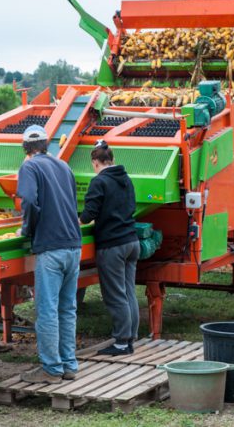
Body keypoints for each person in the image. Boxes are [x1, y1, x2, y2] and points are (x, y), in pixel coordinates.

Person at [16, 125, 82, 385]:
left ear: (25, 149)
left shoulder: (29, 167)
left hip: (50, 248)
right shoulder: (64, 166)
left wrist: (27, 228)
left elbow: (29, 201)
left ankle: (51, 369)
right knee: (67, 309)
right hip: (73, 246)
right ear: (47, 144)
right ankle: (69, 365)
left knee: (47, 310)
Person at [79, 139, 140, 356]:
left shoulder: (100, 182)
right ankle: (131, 337)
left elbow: (88, 215)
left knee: (115, 295)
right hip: (132, 241)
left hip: (112, 245)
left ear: (96, 162)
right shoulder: (126, 178)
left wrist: (74, 221)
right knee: (128, 291)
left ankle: (122, 343)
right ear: (111, 159)